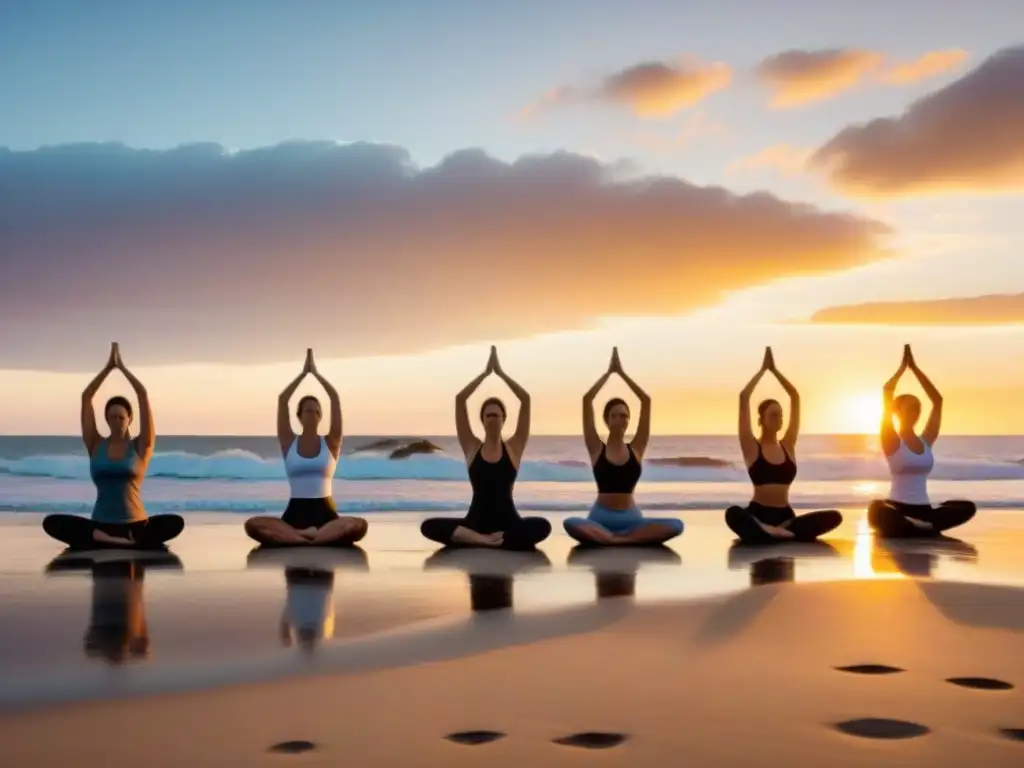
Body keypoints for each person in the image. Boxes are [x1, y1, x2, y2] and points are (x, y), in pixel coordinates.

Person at [42, 343, 185, 550]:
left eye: (120, 417)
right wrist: (108, 368)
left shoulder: (140, 446)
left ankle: (111, 540)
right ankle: (119, 541)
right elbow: (86, 397)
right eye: (111, 417)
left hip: (136, 525)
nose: (116, 421)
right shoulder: (95, 444)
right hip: (101, 524)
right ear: (106, 420)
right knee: (51, 522)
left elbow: (143, 396)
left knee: (174, 523)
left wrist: (123, 369)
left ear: (129, 419)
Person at [420, 346, 551, 550]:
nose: (493, 418)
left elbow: (525, 399)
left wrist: (501, 374)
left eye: (497, 414)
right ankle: (486, 540)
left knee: (542, 526)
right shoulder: (472, 447)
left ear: (504, 419)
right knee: (428, 526)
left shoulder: (514, 448)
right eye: (488, 415)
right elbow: (460, 399)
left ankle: (493, 539)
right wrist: (484, 374)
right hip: (475, 524)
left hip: (509, 522)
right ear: (482, 420)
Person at [244, 349, 368, 547]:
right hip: (295, 513)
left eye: (317, 411)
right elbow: (283, 400)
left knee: (359, 525)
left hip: (326, 512)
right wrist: (303, 374)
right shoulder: (288, 442)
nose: (313, 413)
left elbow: (334, 399)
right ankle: (311, 537)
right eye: (308, 410)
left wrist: (317, 375)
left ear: (321, 417)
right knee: (253, 525)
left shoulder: (331, 442)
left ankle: (300, 538)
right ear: (299, 416)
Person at [563, 347, 684, 546]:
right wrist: (608, 374)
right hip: (600, 518)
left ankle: (613, 540)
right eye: (615, 415)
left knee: (677, 525)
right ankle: (623, 539)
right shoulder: (596, 448)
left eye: (624, 415)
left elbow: (646, 401)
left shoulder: (636, 448)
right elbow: (587, 400)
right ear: (607, 420)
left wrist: (622, 374)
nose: (620, 418)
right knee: (571, 524)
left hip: (631, 518)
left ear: (629, 420)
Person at [725, 347, 842, 543]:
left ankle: (776, 532)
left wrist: (776, 371)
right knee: (733, 513)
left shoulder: (788, 445)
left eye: (780, 416)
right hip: (758, 515)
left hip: (786, 517)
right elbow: (744, 397)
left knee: (834, 517)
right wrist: (763, 370)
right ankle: (768, 530)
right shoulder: (752, 447)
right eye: (773, 415)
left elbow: (795, 397)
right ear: (761, 419)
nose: (778, 420)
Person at [867, 344, 976, 538]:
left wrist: (916, 370)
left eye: (917, 408)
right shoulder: (892, 440)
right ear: (897, 412)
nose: (915, 412)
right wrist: (902, 369)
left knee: (967, 508)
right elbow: (887, 390)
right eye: (910, 408)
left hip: (924, 509)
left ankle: (918, 525)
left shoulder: (926, 441)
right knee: (878, 510)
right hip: (897, 508)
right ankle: (917, 526)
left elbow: (937, 401)